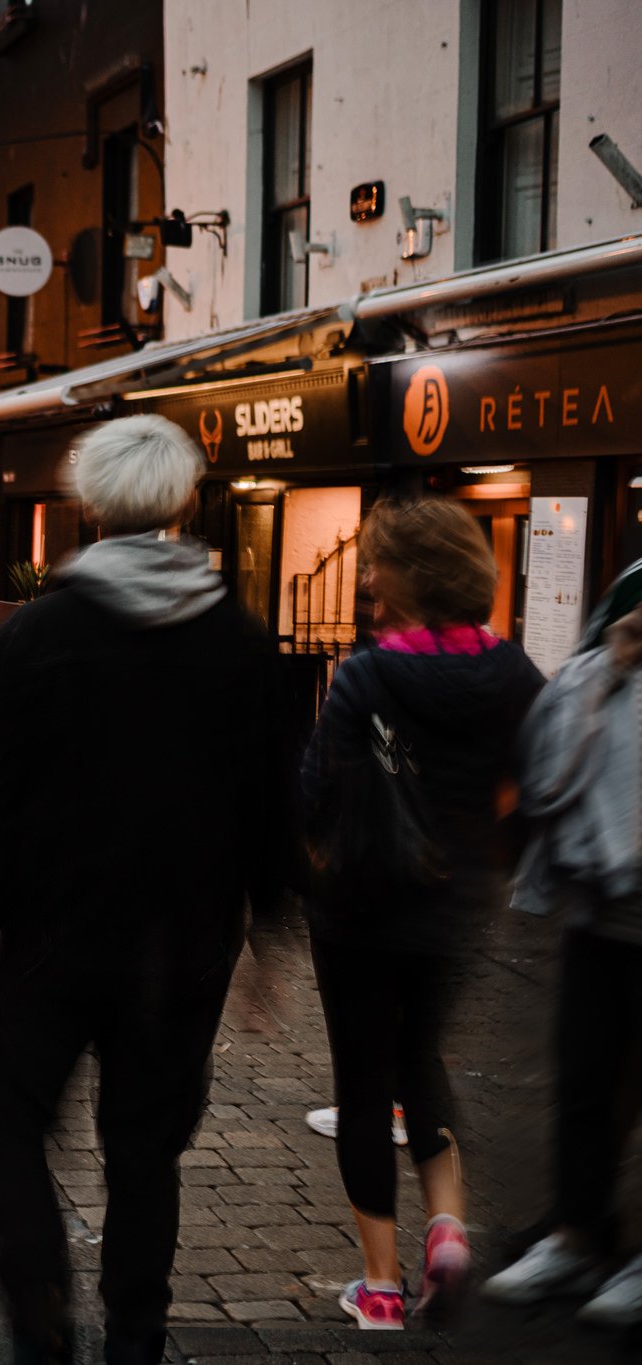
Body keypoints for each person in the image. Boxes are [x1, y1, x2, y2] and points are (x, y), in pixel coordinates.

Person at [0, 415, 289, 1365]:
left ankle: (41, 1314)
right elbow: (271, 789)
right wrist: (270, 925)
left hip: (56, 934)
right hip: (183, 944)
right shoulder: (236, 633)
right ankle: (135, 1337)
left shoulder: (45, 630)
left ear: (91, 505)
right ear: (184, 502)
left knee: (8, 1118)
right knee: (146, 1149)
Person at [300, 497, 543, 1331]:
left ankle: (377, 1287)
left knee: (364, 1084)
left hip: (357, 910)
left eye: (378, 562)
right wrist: (486, 851)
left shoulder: (367, 674)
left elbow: (318, 789)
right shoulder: (513, 672)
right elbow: (542, 784)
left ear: (412, 575)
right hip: (453, 906)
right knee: (420, 1058)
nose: (366, 577)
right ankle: (447, 1229)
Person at [484, 563, 642, 1326]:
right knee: (584, 1079)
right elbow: (548, 766)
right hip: (601, 917)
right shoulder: (630, 594)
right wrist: (611, 668)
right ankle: (577, 1235)